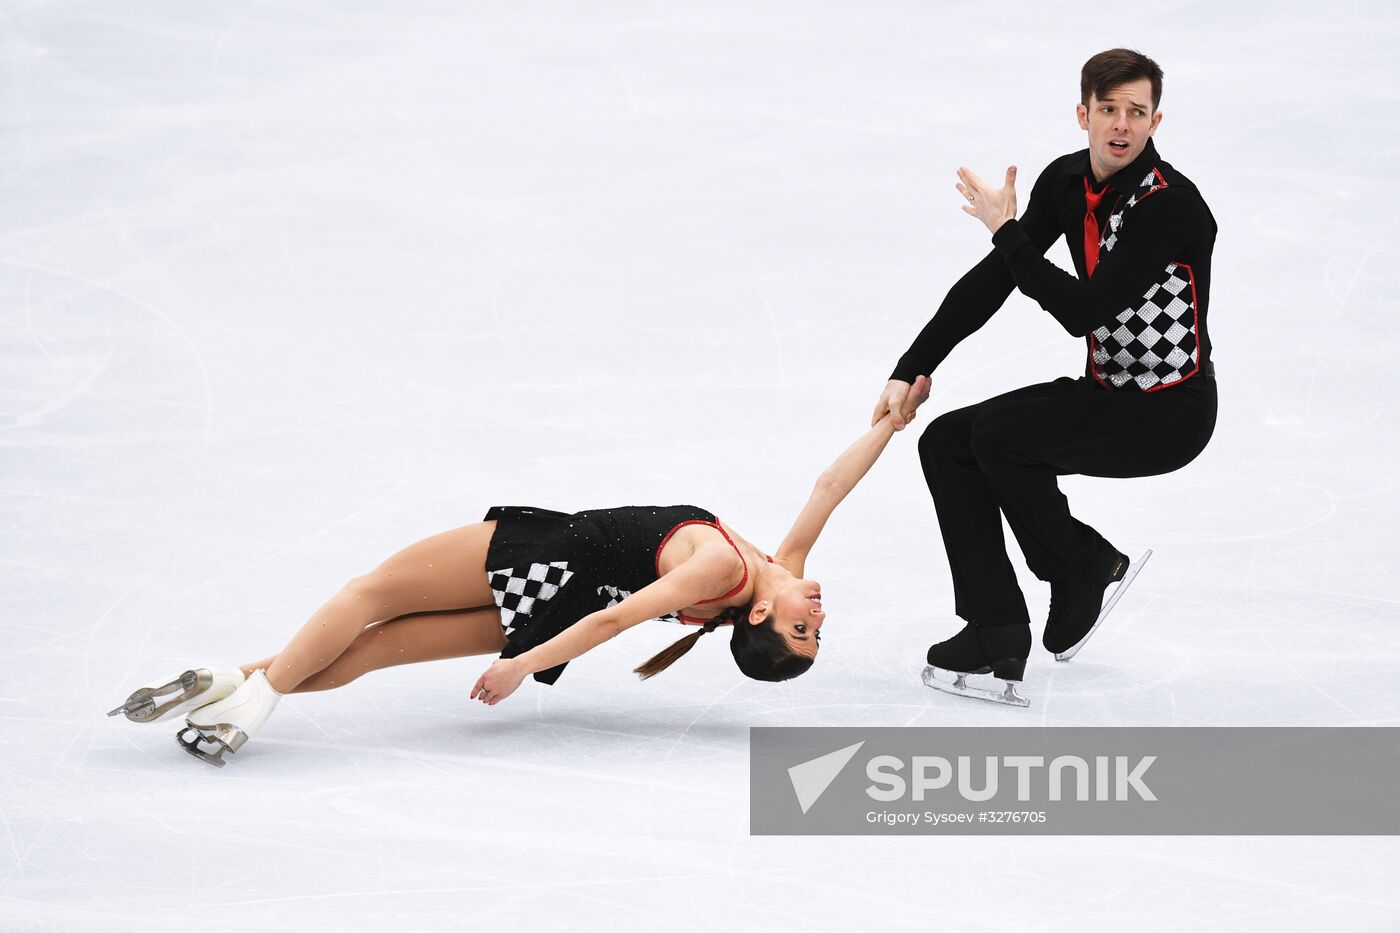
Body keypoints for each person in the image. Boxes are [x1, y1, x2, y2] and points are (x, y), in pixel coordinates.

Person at [108, 377, 931, 765]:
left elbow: (614, 620)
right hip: (552, 603)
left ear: (757, 617)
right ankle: (233, 681)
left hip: (546, 560)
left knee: (369, 595)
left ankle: (249, 705)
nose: (817, 614)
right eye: (817, 629)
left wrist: (519, 666)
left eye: (802, 629)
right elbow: (830, 487)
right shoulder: (772, 569)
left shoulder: (721, 567)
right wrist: (890, 424)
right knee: (377, 647)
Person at [870, 49, 1218, 707]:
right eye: (1108, 109)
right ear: (1084, 115)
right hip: (1107, 393)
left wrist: (1006, 232)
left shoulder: (1171, 207)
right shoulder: (1066, 181)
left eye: (1136, 111)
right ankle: (995, 625)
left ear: (1156, 120)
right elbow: (994, 281)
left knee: (1001, 439)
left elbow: (1084, 310)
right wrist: (913, 365)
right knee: (948, 442)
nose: (1121, 125)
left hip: (1169, 411)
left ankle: (1081, 564)